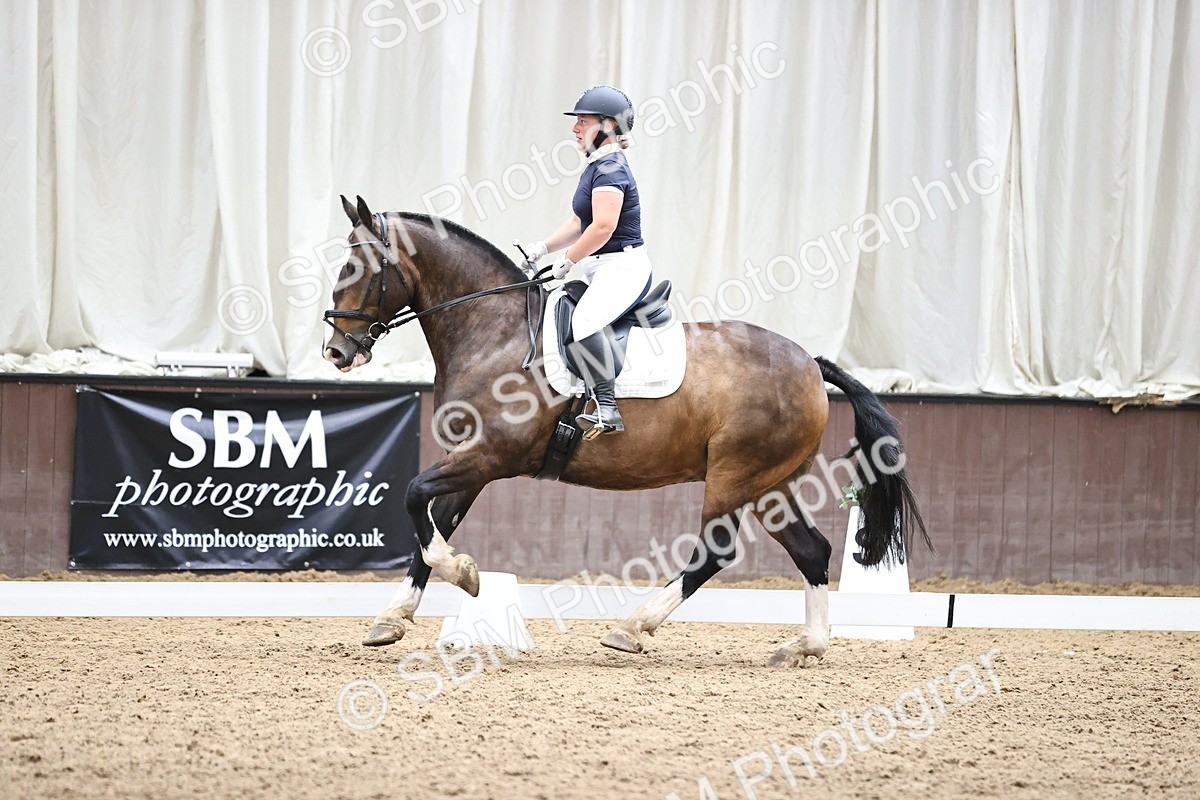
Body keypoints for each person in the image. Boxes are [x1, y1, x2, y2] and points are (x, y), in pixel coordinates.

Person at [521, 85, 652, 435]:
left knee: (586, 321)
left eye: (583, 121)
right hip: (602, 267)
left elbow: (604, 226)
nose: (575, 128)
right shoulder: (597, 167)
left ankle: (607, 408)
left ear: (608, 126)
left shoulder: (611, 170)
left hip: (622, 267)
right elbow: (581, 221)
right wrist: (542, 248)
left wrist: (568, 260)